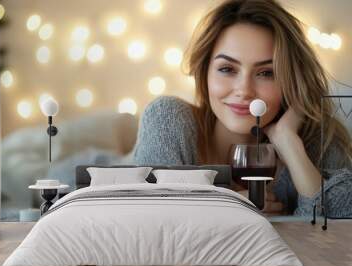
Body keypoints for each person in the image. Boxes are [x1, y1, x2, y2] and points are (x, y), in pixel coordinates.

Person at [132, 0, 352, 217]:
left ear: (290, 81)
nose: (244, 90)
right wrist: (228, 206)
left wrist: (290, 145)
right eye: (227, 69)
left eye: (267, 73)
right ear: (205, 72)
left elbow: (341, 231)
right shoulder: (168, 118)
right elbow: (152, 222)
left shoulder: (317, 138)